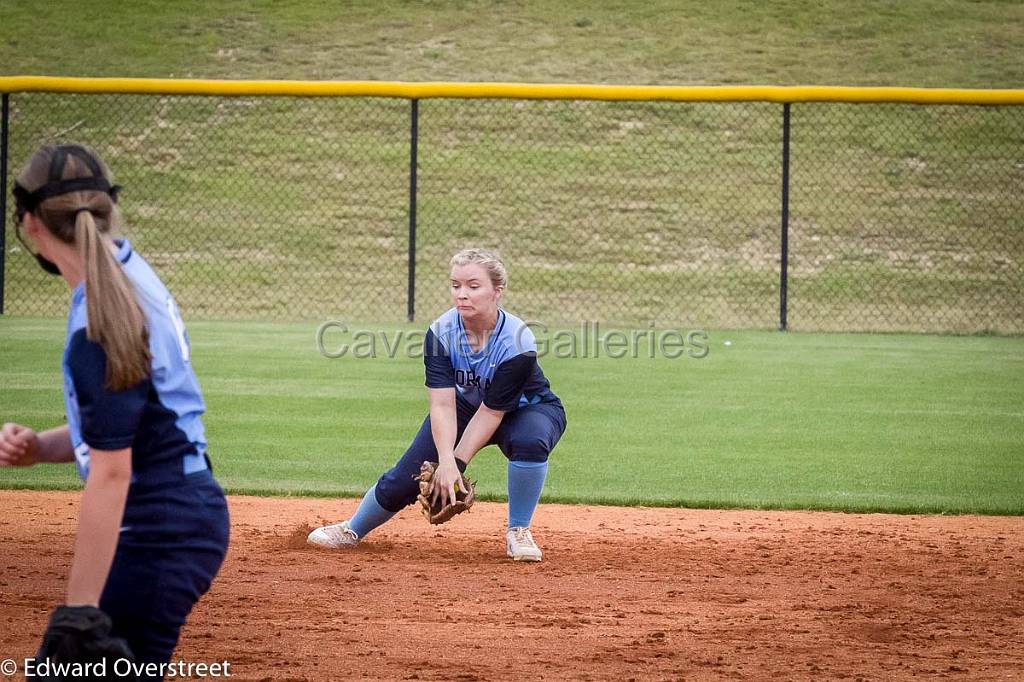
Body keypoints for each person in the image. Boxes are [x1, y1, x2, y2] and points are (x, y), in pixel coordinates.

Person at [0, 144, 230, 677]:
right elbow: (134, 425)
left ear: (29, 223)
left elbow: (112, 472)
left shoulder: (99, 322)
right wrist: (41, 447)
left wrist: (79, 613)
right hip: (177, 516)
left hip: (157, 529)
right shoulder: (127, 275)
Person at [309, 248, 567, 561]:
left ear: (498, 291)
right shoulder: (441, 333)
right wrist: (444, 460)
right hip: (464, 407)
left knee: (531, 439)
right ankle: (352, 529)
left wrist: (455, 465)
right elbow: (443, 405)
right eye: (456, 285)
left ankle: (518, 532)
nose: (462, 294)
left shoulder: (517, 341)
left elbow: (492, 411)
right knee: (406, 476)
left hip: (527, 409)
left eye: (474, 286)